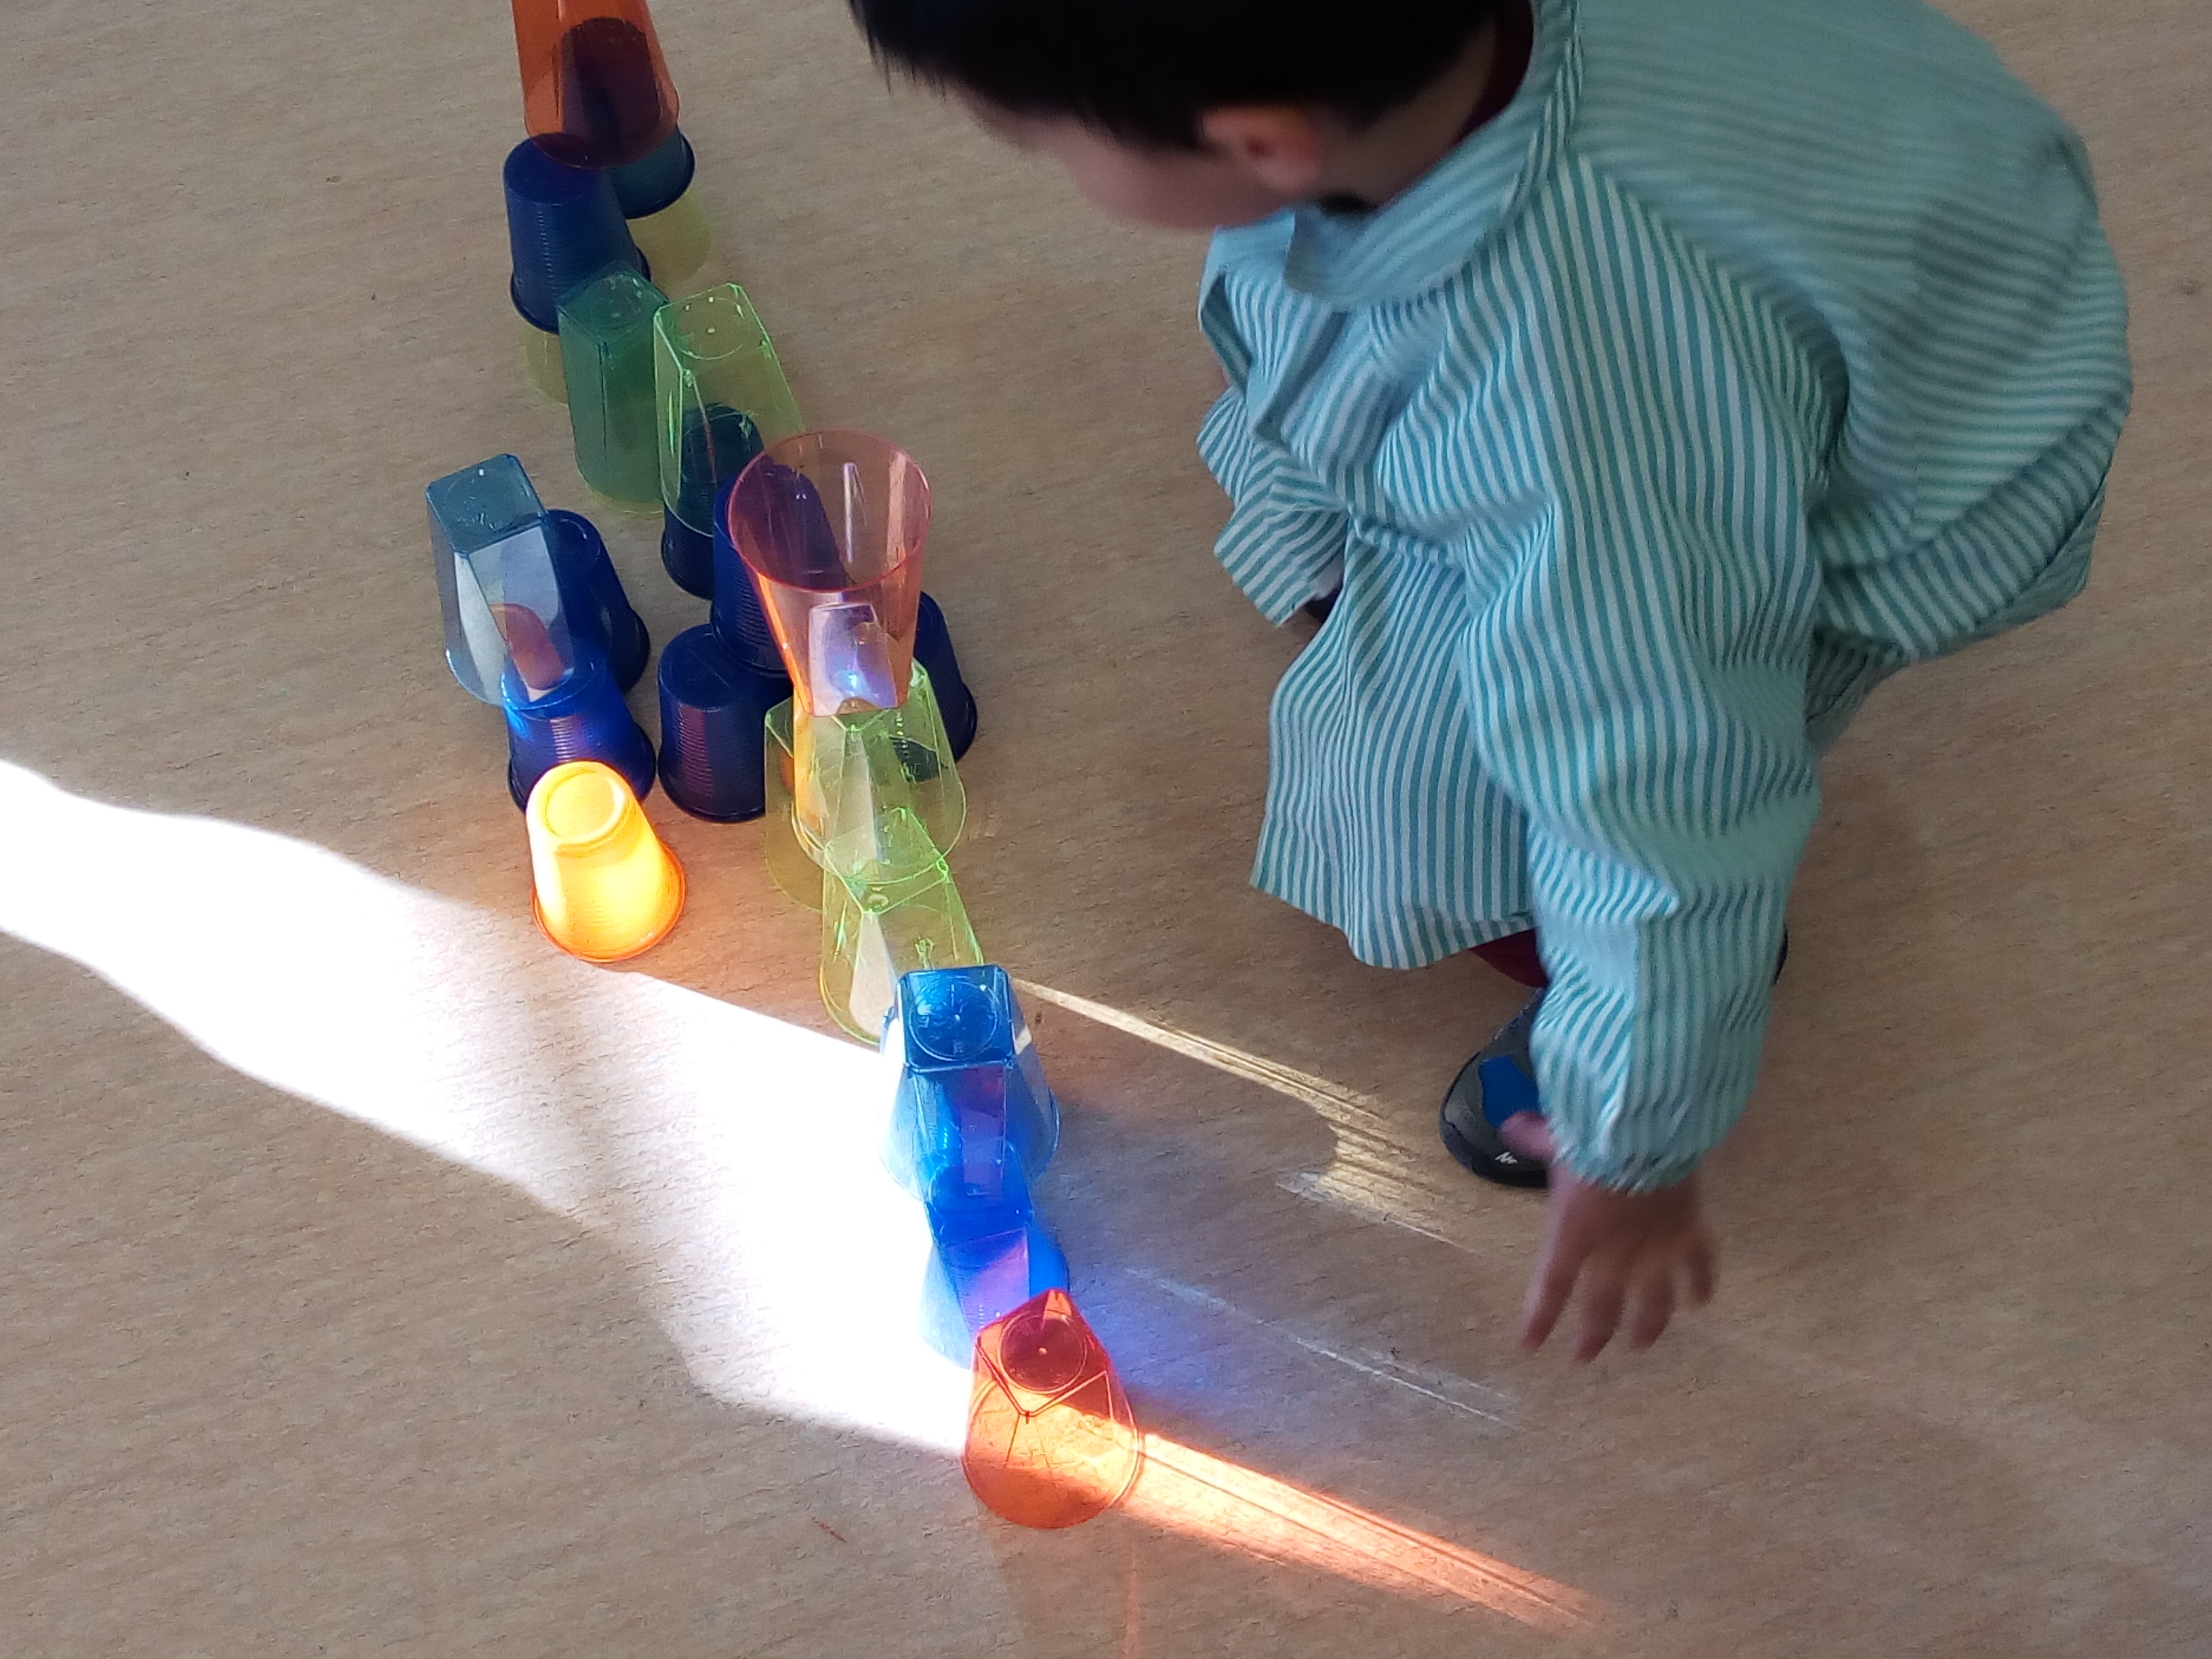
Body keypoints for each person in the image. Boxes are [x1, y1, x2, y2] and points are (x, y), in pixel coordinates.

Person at [842, 0, 2131, 1359]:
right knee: (1425, 485)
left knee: (1507, 796)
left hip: (1894, 478)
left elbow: (1668, 785)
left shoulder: (1582, 405)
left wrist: (1633, 1136)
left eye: (1041, 141)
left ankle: (1628, 991)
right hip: (1859, 226)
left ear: (1266, 140)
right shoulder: (1429, 128)